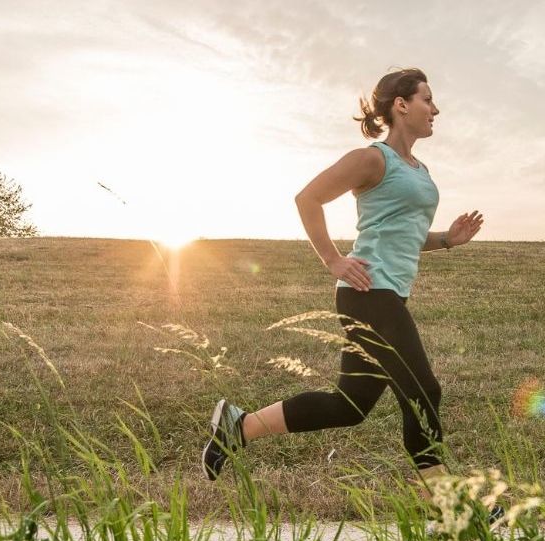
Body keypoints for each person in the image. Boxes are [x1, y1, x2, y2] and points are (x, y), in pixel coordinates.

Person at [201, 68, 484, 492]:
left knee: (350, 404)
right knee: (423, 391)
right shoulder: (372, 159)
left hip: (385, 296)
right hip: (369, 293)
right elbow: (308, 198)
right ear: (401, 105)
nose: (435, 108)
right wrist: (332, 259)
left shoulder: (420, 170)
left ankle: (238, 426)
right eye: (427, 99)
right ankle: (448, 505)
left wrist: (447, 239)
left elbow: (402, 235)